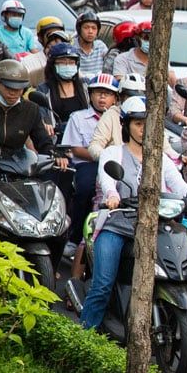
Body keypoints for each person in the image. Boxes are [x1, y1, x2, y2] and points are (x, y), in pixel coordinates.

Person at [81, 96, 187, 330]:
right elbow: (108, 181)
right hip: (118, 223)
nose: (144, 129)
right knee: (103, 284)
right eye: (138, 124)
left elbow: (179, 185)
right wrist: (112, 196)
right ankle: (85, 335)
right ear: (126, 125)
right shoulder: (113, 154)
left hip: (157, 224)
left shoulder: (160, 158)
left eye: (148, 123)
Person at [0, 60, 62, 232]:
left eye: (18, 88)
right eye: (8, 87)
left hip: (16, 172)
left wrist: (55, 156)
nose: (13, 93)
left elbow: (43, 141)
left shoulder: (32, 110)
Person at [60, 74, 119, 263]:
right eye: (98, 93)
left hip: (117, 165)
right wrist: (104, 156)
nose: (102, 98)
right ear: (90, 95)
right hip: (88, 163)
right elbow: (74, 148)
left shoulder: (122, 118)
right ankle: (75, 236)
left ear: (116, 98)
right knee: (86, 188)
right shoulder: (78, 117)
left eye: (108, 94)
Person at [88, 73, 182, 165]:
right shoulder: (111, 114)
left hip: (148, 168)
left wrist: (180, 159)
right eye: (130, 96)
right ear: (120, 97)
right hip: (119, 168)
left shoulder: (151, 115)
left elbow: (165, 147)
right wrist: (110, 159)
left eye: (140, 96)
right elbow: (95, 145)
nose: (134, 101)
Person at [36, 43, 89, 138]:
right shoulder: (43, 89)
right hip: (57, 140)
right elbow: (41, 114)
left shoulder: (86, 86)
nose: (67, 66)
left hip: (86, 137)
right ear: (53, 65)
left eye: (71, 62)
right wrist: (45, 123)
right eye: (62, 62)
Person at [74, 10, 108, 78]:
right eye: (86, 28)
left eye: (94, 28)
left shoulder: (101, 46)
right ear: (79, 29)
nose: (90, 31)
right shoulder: (71, 47)